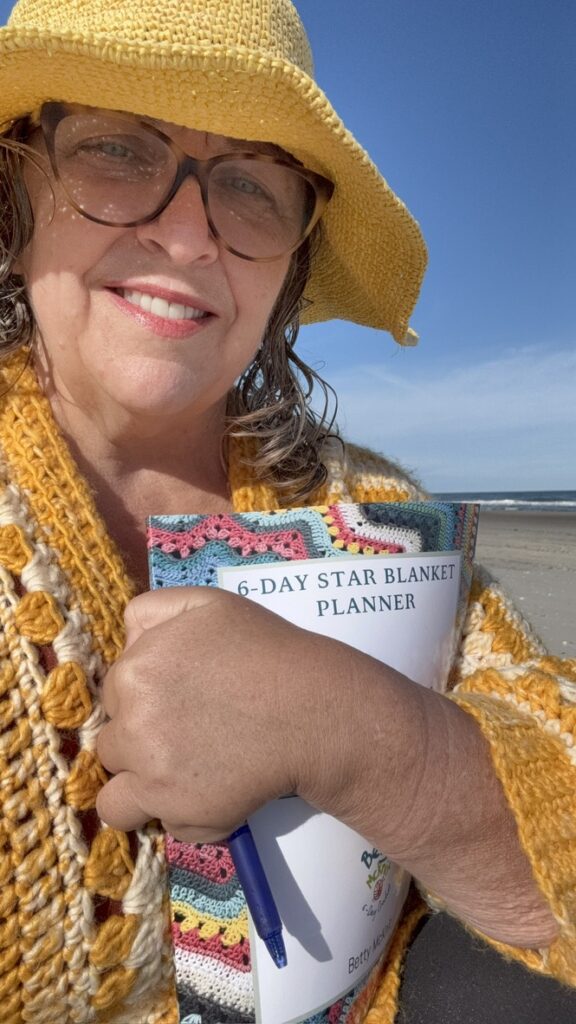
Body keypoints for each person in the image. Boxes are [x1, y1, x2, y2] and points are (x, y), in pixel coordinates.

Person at [0, 1, 574, 1022]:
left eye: (251, 185)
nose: (187, 233)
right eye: (119, 149)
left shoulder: (370, 510)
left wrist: (374, 740)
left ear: (292, 260)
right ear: (17, 186)